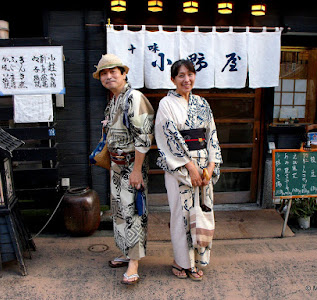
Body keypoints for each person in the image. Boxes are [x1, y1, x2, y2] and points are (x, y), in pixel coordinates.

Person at [154, 59, 222, 281]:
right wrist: (190, 167)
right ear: (172, 79)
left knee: (201, 212)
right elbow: (169, 137)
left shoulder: (203, 103)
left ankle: (197, 262)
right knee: (181, 215)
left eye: (190, 74)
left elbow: (212, 135)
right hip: (180, 169)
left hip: (204, 168)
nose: (187, 79)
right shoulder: (166, 103)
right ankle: (181, 261)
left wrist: (211, 166)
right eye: (181, 75)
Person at [93, 54, 154, 285]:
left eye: (113, 72)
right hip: (117, 167)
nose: (108, 77)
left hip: (132, 166)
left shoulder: (133, 97)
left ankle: (134, 262)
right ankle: (127, 252)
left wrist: (137, 170)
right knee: (119, 213)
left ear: (124, 73)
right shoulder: (115, 100)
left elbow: (144, 138)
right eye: (104, 74)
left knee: (134, 213)